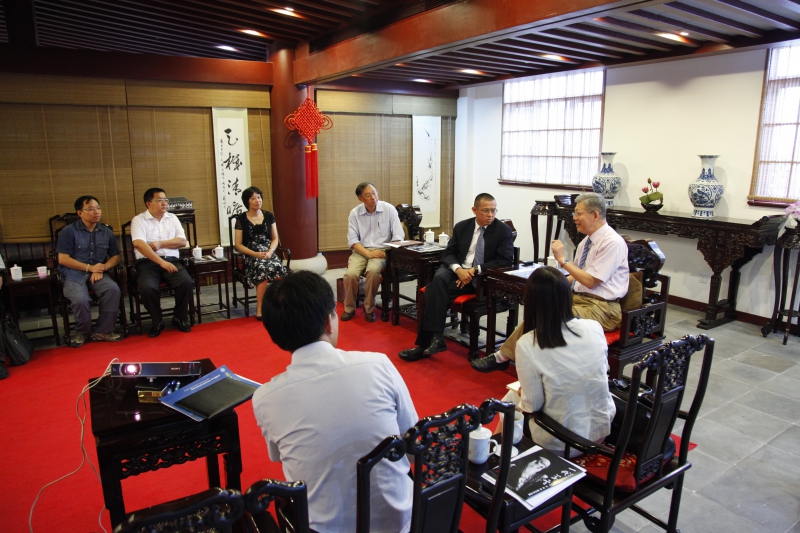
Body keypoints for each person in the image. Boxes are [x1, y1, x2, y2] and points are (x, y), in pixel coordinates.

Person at [253, 271, 417, 533]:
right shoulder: (378, 365)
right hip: (401, 520)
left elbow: (281, 458)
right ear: (328, 322)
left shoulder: (266, 397)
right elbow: (413, 441)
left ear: (277, 336)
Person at [470, 191, 629, 373]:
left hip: (602, 308)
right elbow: (576, 276)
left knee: (548, 316)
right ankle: (516, 359)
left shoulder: (612, 242)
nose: (574, 218)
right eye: (574, 213)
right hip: (579, 299)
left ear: (595, 215)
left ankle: (510, 359)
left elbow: (591, 281)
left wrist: (563, 260)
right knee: (538, 309)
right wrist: (554, 288)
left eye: (578, 213)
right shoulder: (587, 241)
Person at [504, 266, 615, 458]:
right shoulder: (594, 327)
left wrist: (524, 394)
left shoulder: (529, 343)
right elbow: (602, 370)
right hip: (600, 431)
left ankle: (502, 459)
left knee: (508, 401)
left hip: (562, 441)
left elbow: (532, 405)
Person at [399, 192, 514, 362]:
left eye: (493, 210)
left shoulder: (502, 231)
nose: (490, 215)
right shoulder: (462, 227)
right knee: (438, 280)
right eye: (486, 210)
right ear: (474, 210)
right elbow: (449, 253)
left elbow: (504, 260)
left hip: (479, 276)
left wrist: (474, 270)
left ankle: (425, 345)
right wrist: (459, 269)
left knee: (432, 292)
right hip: (457, 270)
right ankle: (435, 339)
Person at [55, 196, 123, 347]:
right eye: (91, 209)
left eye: (98, 208)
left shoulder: (106, 231)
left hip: (98, 272)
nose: (96, 212)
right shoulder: (68, 231)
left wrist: (102, 268)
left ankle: (103, 331)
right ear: (80, 213)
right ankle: (82, 332)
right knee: (81, 299)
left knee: (112, 290)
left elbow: (116, 257)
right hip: (74, 273)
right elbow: (63, 259)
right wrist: (90, 268)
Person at [130, 188, 194, 337]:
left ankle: (179, 317)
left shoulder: (172, 218)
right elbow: (139, 244)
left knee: (185, 282)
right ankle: (157, 321)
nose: (164, 203)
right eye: (160, 200)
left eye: (166, 200)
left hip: (171, 260)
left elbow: (182, 241)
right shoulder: (139, 220)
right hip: (147, 263)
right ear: (148, 203)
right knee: (147, 288)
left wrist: (160, 244)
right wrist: (161, 262)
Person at [343, 182, 404, 323]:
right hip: (361, 251)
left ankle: (369, 308)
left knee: (373, 271)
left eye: (374, 193)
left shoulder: (389, 209)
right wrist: (368, 253)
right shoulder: (355, 213)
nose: (373, 197)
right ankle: (349, 308)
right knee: (350, 274)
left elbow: (398, 236)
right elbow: (353, 240)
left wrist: (388, 252)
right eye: (368, 195)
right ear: (360, 198)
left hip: (381, 251)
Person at [234, 186, 287, 321]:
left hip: (268, 252)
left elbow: (275, 239)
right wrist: (255, 254)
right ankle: (260, 307)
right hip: (251, 254)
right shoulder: (241, 219)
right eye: (253, 198)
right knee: (262, 269)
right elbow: (238, 244)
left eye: (259, 197)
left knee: (278, 268)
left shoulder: (269, 216)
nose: (257, 200)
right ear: (247, 201)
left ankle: (277, 304)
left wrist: (270, 252)